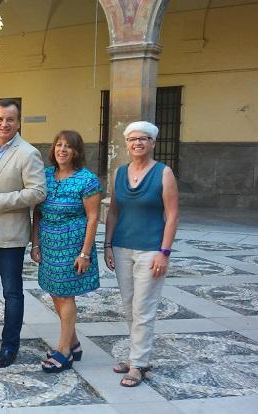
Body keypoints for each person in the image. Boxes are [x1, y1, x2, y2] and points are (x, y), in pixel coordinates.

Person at [0, 99, 47, 368]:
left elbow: (38, 192)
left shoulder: (28, 153)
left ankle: (9, 345)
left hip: (11, 234)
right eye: (0, 119)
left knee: (12, 293)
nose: (4, 124)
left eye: (10, 120)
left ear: (18, 122)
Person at [104, 121, 179, 387]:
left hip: (151, 250)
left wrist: (165, 252)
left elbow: (171, 215)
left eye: (144, 139)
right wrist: (108, 245)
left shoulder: (163, 173)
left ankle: (138, 364)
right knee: (128, 306)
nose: (138, 143)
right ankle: (137, 355)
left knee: (143, 308)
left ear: (153, 143)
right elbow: (113, 211)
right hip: (122, 247)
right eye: (133, 139)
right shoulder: (120, 173)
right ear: (126, 144)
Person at [30, 130, 101, 373]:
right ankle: (74, 343)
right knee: (55, 292)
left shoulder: (87, 179)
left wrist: (85, 253)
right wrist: (36, 243)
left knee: (65, 294)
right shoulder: (46, 175)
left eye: (68, 147)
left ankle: (64, 351)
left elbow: (93, 218)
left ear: (77, 152)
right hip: (49, 245)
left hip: (73, 246)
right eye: (58, 145)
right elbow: (37, 213)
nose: (62, 150)